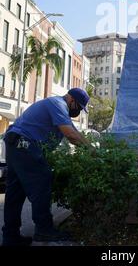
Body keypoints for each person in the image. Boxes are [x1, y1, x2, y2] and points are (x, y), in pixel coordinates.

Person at [2, 88, 90, 246]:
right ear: (72, 101)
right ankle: (44, 231)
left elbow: (75, 133)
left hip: (15, 143)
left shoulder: (60, 110)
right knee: (42, 180)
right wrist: (94, 152)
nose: (78, 111)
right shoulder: (57, 104)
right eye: (79, 107)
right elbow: (70, 135)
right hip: (24, 143)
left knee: (15, 192)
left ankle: (10, 237)